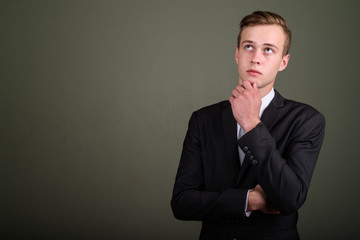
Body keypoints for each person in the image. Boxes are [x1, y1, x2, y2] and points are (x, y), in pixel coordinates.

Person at [171, 10, 325, 240]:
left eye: (268, 50)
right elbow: (182, 203)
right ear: (237, 53)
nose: (255, 58)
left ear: (283, 61)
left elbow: (290, 199)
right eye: (248, 47)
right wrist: (249, 200)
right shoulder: (203, 119)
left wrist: (251, 123)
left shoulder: (306, 120)